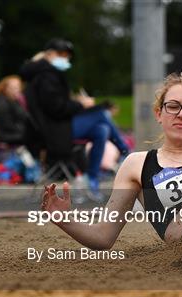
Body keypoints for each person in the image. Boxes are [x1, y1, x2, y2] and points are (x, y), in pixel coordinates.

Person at [41, 54, 182, 247]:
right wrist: (64, 219)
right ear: (159, 114)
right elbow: (103, 237)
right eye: (173, 106)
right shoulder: (137, 164)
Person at [21, 38, 129, 200]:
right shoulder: (46, 76)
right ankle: (125, 152)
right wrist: (80, 104)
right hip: (54, 132)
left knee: (102, 129)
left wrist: (76, 103)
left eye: (67, 56)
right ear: (49, 55)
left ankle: (91, 179)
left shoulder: (42, 75)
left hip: (56, 127)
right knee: (101, 114)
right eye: (62, 54)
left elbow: (54, 105)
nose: (66, 59)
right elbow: (56, 108)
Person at [0, 75, 29, 145]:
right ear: (5, 89)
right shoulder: (1, 105)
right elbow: (8, 128)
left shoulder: (16, 102)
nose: (17, 90)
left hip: (14, 139)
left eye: (18, 87)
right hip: (7, 144)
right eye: (13, 88)